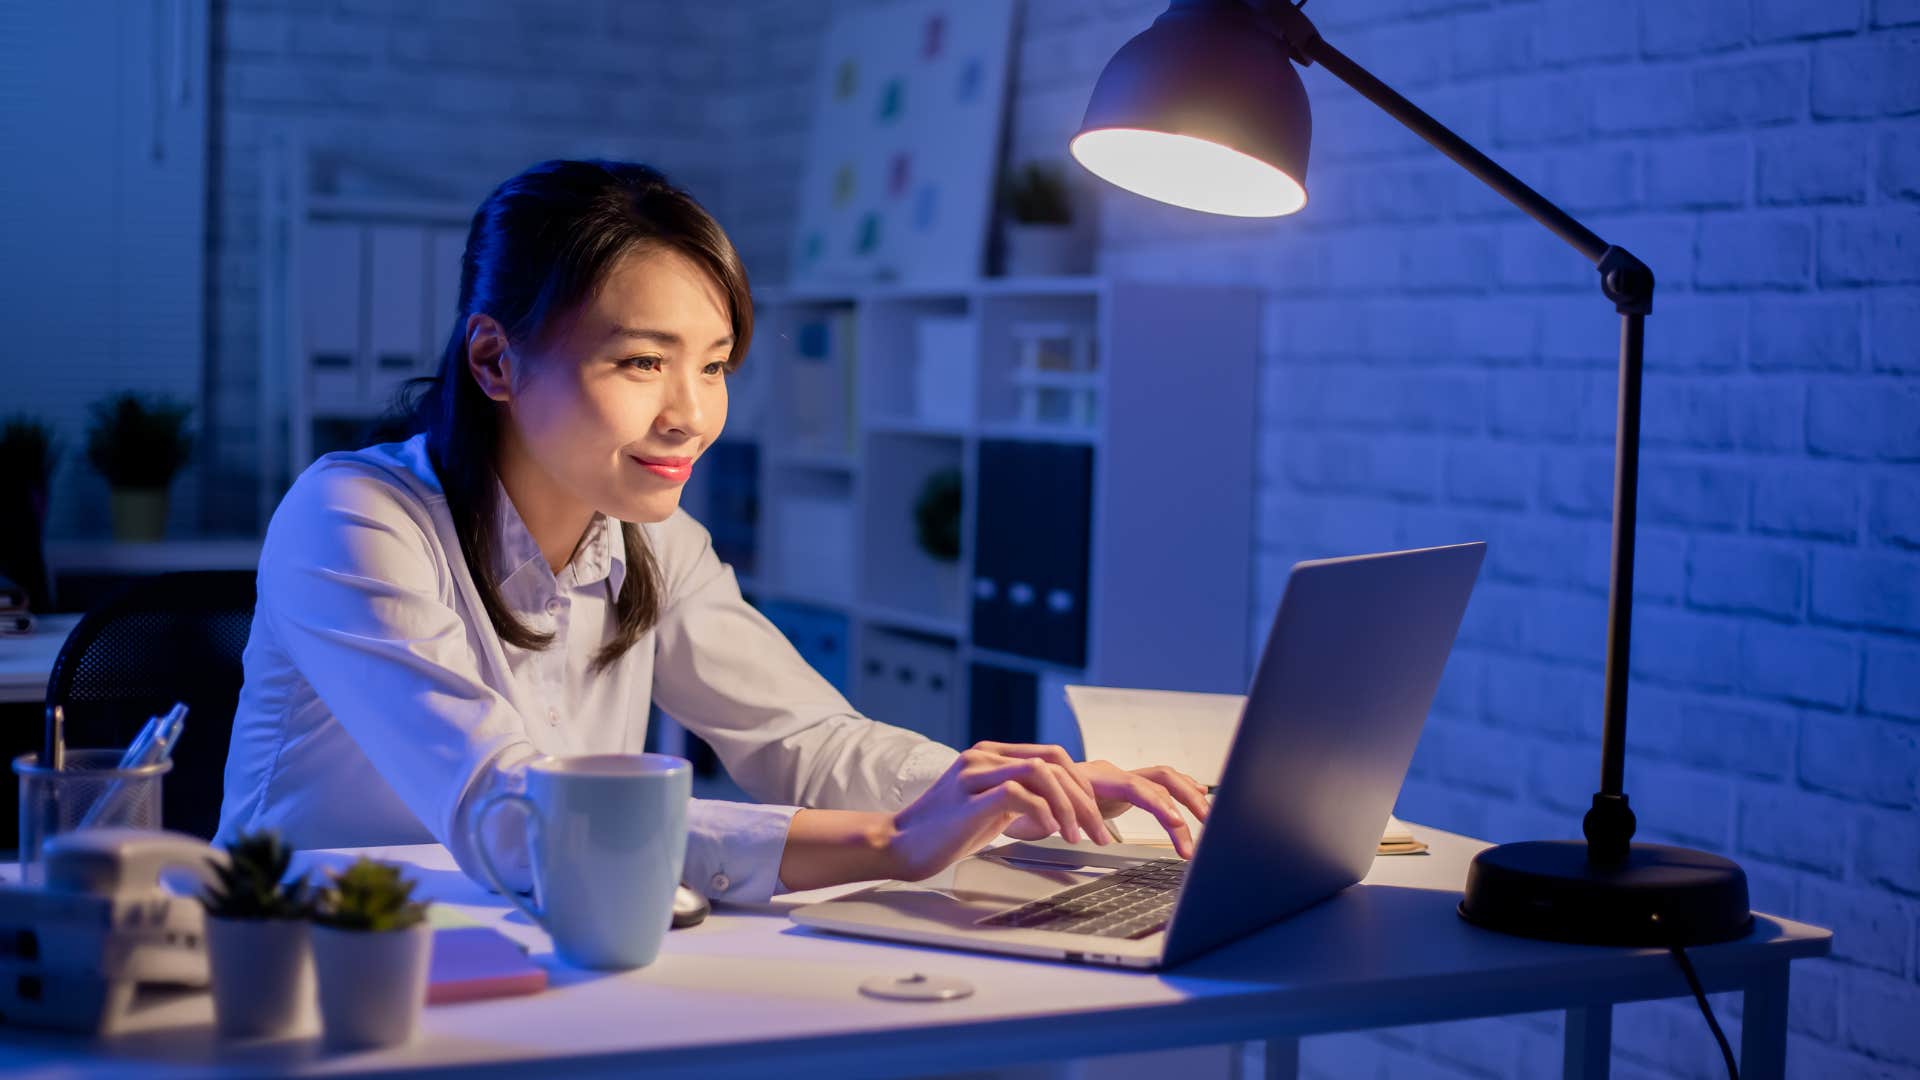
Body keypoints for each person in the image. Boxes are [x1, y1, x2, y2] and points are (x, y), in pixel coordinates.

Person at [217, 160, 1209, 902]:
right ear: (494, 361)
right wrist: (886, 845)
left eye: (717, 364)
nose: (690, 414)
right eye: (643, 362)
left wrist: (1000, 792)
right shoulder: (353, 519)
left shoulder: (652, 538)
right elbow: (513, 818)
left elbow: (808, 742)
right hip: (313, 976)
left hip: (545, 958)